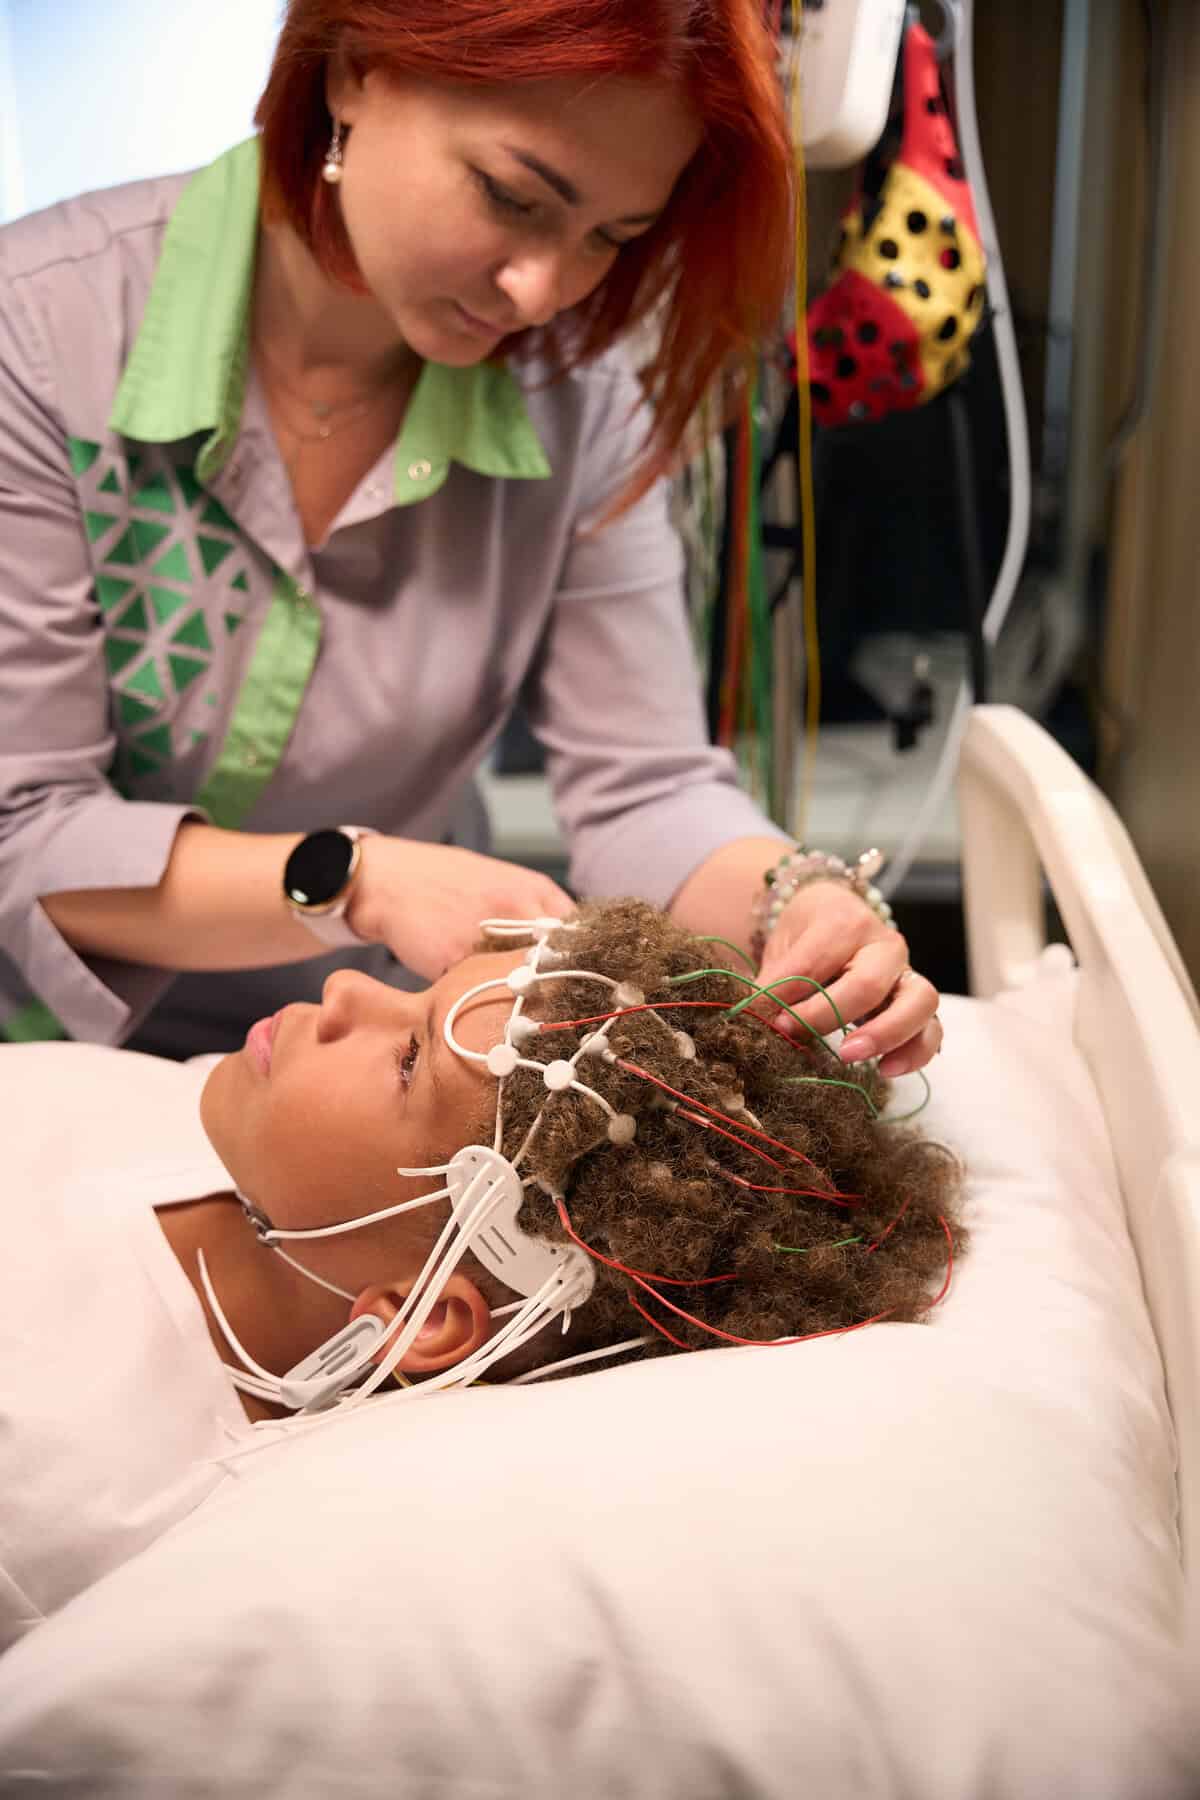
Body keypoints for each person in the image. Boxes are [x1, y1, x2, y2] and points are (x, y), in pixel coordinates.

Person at [0, 0, 942, 1075]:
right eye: (513, 196)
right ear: (354, 67)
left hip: (374, 1063)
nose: (545, 289)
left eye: (611, 237)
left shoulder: (581, 398)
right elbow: (22, 829)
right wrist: (359, 881)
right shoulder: (36, 338)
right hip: (46, 1057)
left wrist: (800, 903)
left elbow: (644, 784)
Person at [0, 897, 961, 1653]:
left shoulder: (56, 1477)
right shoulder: (204, 1131)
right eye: (419, 997)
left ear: (424, 1321)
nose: (344, 990)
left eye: (408, 1058)